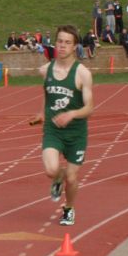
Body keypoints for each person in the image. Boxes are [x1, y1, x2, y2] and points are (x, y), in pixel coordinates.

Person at [29, 25, 94, 227]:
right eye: (60, 41)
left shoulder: (82, 73)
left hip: (76, 133)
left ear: (75, 47)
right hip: (53, 130)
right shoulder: (46, 70)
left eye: (67, 42)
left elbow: (90, 107)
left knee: (72, 178)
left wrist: (72, 114)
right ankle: (57, 178)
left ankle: (68, 209)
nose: (62, 46)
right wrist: (42, 113)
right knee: (51, 170)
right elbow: (48, 96)